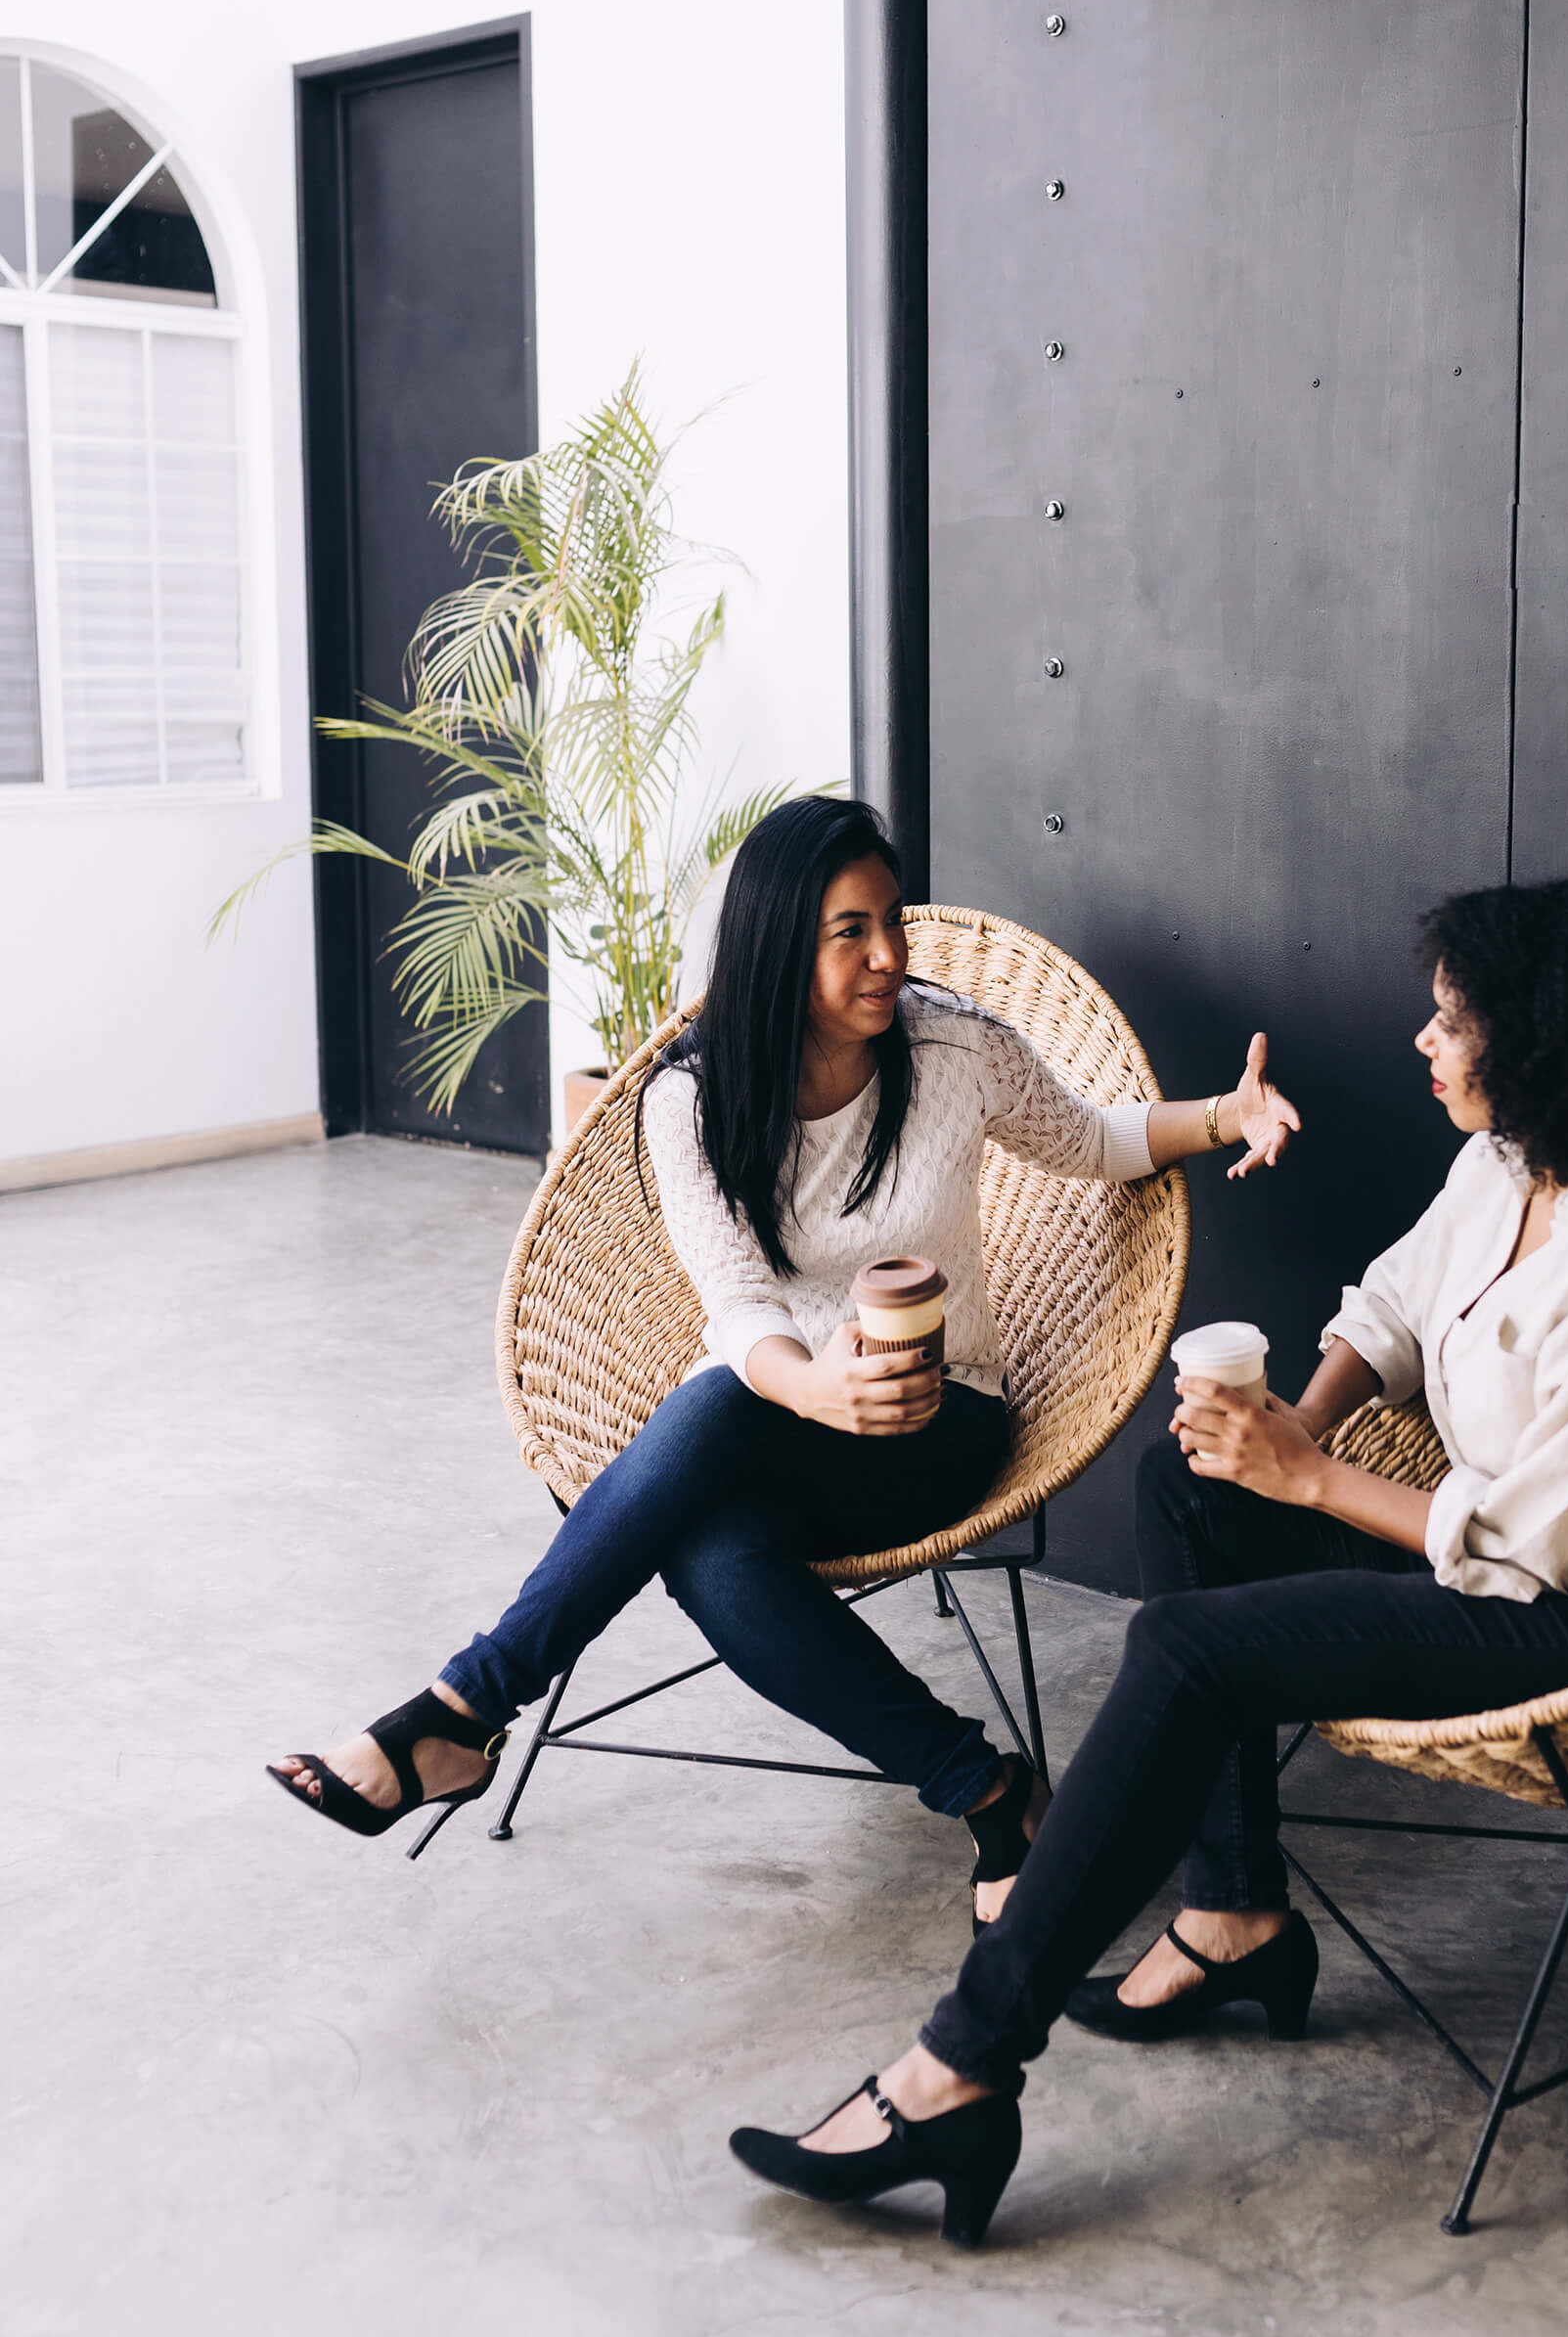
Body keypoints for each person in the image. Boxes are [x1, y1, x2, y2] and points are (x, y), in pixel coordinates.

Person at [727, 876, 1568, 2246]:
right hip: (1513, 1551)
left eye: (1450, 1023)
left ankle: (959, 2067)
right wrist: (1287, 1433)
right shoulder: (1503, 1169)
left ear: (1545, 1046)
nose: (1423, 1045)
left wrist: (1303, 1476)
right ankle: (1237, 1915)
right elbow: (1395, 1309)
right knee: (1187, 1485)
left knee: (1191, 1649)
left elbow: (1536, 1550)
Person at [269, 796, 1301, 1929]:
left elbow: (1091, 1139)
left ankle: (458, 1712)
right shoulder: (690, 1099)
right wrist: (813, 1387)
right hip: (783, 1412)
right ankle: (992, 1793)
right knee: (716, 1554)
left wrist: (1222, 1115)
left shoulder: (951, 1047)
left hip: (937, 1416)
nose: (886, 956)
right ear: (774, 942)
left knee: (715, 1417)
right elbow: (735, 1303)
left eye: (889, 922)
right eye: (847, 932)